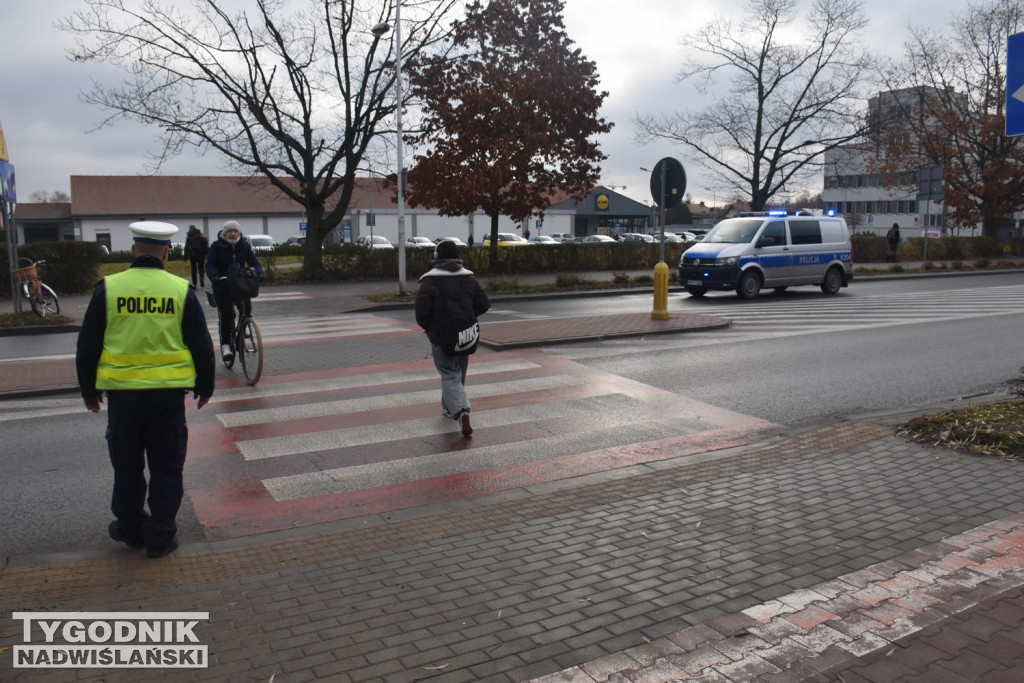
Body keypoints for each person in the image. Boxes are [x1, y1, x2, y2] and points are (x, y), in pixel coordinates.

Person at [76, 221, 215, 559]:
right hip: (167, 397)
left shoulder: (108, 289)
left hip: (122, 398)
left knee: (126, 465)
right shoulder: (179, 290)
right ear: (166, 253)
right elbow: (201, 342)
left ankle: (132, 529)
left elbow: (88, 344)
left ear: (134, 251)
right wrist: (205, 386)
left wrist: (88, 390)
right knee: (166, 466)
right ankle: (160, 537)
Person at [415, 240, 490, 436]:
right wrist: (466, 317)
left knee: (449, 374)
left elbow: (421, 313)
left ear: (437, 257)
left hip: (442, 336)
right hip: (466, 334)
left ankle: (462, 410)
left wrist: (431, 328)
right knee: (458, 374)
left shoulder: (430, 281)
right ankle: (449, 407)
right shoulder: (469, 278)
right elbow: (484, 303)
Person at [206, 220, 264, 363]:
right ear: (224, 233)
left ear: (239, 233)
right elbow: (210, 265)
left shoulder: (244, 246)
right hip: (222, 285)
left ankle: (244, 326)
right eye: (230, 231)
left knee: (246, 308)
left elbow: (254, 262)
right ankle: (226, 346)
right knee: (226, 316)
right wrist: (214, 276)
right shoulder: (216, 246)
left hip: (239, 284)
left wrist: (259, 271)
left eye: (235, 231)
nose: (232, 234)